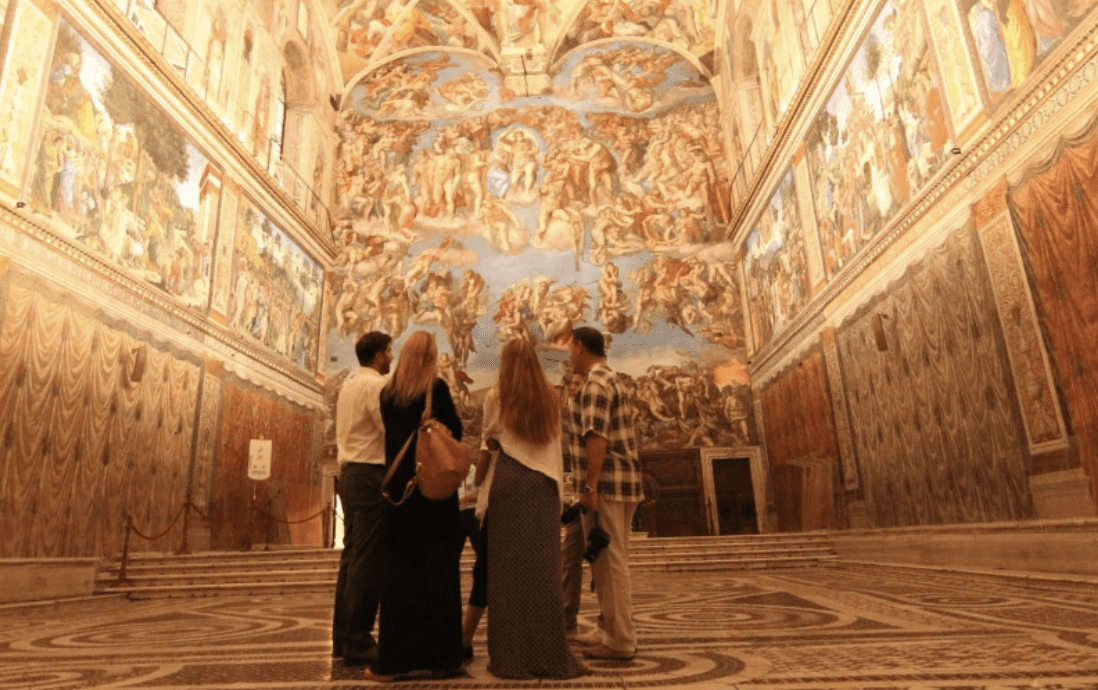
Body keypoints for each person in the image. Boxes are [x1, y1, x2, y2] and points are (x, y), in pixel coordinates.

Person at [478, 339, 587, 679]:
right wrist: (557, 491)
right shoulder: (550, 397)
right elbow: (556, 449)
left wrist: (477, 486)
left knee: (506, 577)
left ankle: (509, 659)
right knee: (544, 574)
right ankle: (549, 655)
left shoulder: (495, 396)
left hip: (509, 483)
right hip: (542, 488)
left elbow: (489, 442)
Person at [367, 331, 465, 682]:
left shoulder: (386, 394)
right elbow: (456, 430)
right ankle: (442, 657)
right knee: (437, 573)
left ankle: (394, 660)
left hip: (399, 495)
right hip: (432, 492)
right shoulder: (435, 388)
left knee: (399, 577)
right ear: (432, 356)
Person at [565, 326, 644, 661]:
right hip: (618, 481)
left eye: (570, 347)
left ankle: (621, 641)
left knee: (609, 565)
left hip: (607, 482)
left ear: (580, 347)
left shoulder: (596, 382)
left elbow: (596, 437)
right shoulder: (609, 379)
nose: (568, 354)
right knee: (606, 562)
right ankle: (610, 630)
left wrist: (590, 487)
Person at [332, 331, 392, 666]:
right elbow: (388, 429)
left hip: (350, 474)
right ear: (381, 355)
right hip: (370, 474)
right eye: (390, 351)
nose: (392, 357)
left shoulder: (349, 385)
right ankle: (357, 639)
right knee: (367, 559)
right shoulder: (376, 386)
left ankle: (342, 638)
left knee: (352, 557)